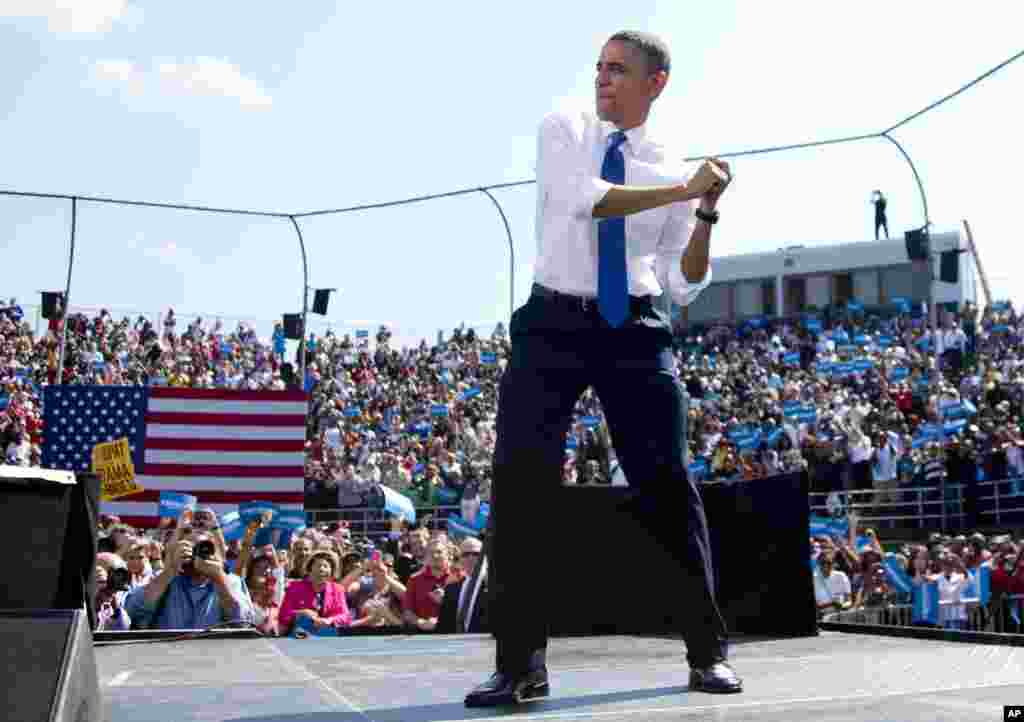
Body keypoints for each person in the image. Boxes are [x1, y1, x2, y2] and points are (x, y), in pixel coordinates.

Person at [463, 30, 740, 709]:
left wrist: (703, 210)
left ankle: (707, 654)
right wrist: (682, 186)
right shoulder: (564, 128)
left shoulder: (673, 164)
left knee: (668, 484)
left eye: (619, 70)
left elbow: (682, 281)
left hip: (635, 326)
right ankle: (519, 665)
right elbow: (590, 199)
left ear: (656, 82)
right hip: (552, 321)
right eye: (599, 68)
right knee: (523, 483)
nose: (603, 79)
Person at [124, 527, 255, 630]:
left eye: (206, 549)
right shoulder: (163, 579)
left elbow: (243, 622)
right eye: (191, 548)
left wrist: (219, 578)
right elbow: (132, 610)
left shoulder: (230, 581)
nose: (198, 553)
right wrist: (171, 569)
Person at [278, 549, 353, 636]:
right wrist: (301, 613)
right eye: (318, 566)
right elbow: (283, 615)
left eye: (326, 566)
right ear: (309, 570)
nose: (321, 569)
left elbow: (346, 616)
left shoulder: (337, 589)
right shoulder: (294, 587)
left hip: (327, 635)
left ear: (331, 571)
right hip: (299, 635)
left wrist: (329, 620)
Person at [438, 536, 489, 633]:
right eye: (465, 554)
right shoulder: (451, 589)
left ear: (485, 556)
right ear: (460, 559)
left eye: (476, 554)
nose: (471, 558)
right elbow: (443, 626)